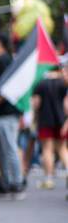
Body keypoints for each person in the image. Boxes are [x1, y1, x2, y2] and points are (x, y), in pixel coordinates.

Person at [0, 33, 26, 196]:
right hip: (6, 112)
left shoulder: (3, 60)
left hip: (7, 112)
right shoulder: (6, 59)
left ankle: (15, 182)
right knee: (5, 148)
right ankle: (8, 181)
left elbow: (6, 87)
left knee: (9, 148)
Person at [30, 56, 68, 189]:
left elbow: (36, 103)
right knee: (62, 149)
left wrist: (34, 116)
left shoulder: (41, 83)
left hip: (45, 120)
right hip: (61, 120)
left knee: (47, 149)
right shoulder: (63, 83)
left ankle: (48, 179)